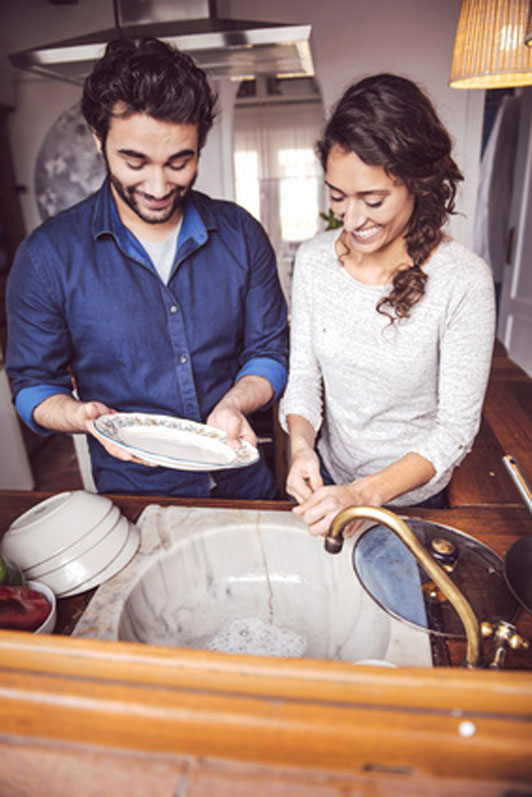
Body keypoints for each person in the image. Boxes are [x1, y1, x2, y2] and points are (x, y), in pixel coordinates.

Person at [6, 37, 288, 499]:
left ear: (200, 143)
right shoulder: (46, 257)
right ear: (99, 138)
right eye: (135, 162)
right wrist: (80, 416)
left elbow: (269, 353)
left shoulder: (240, 234)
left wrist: (236, 402)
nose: (158, 185)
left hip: (246, 484)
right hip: (136, 493)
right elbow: (33, 386)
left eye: (180, 161)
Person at [280, 73, 495, 535]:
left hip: (417, 498)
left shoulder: (463, 280)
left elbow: (455, 430)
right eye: (338, 197)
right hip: (331, 481)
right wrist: (302, 447)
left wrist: (364, 495)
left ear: (418, 183)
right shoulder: (315, 261)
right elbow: (302, 377)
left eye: (372, 200)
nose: (353, 219)